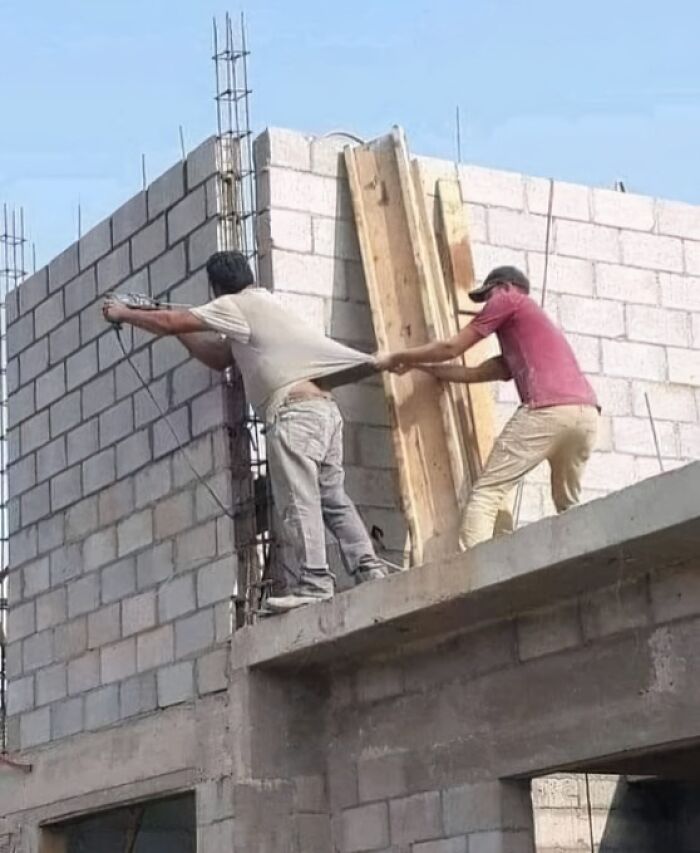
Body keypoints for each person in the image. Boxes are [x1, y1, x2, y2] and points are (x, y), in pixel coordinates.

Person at [102, 250, 397, 612]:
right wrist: (177, 330)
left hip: (293, 416)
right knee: (332, 498)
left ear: (216, 288)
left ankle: (316, 583)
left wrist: (126, 313)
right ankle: (369, 569)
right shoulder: (265, 305)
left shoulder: (235, 305)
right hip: (324, 412)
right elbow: (221, 357)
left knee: (298, 499)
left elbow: (173, 321)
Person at [382, 266, 599, 550]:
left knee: (487, 491)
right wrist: (416, 365)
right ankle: (581, 552)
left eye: (488, 296)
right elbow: (470, 374)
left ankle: (478, 572)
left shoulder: (509, 298)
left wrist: (396, 356)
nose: (487, 305)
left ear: (505, 286)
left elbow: (451, 348)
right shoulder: (528, 339)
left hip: (548, 408)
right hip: (587, 415)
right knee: (567, 502)